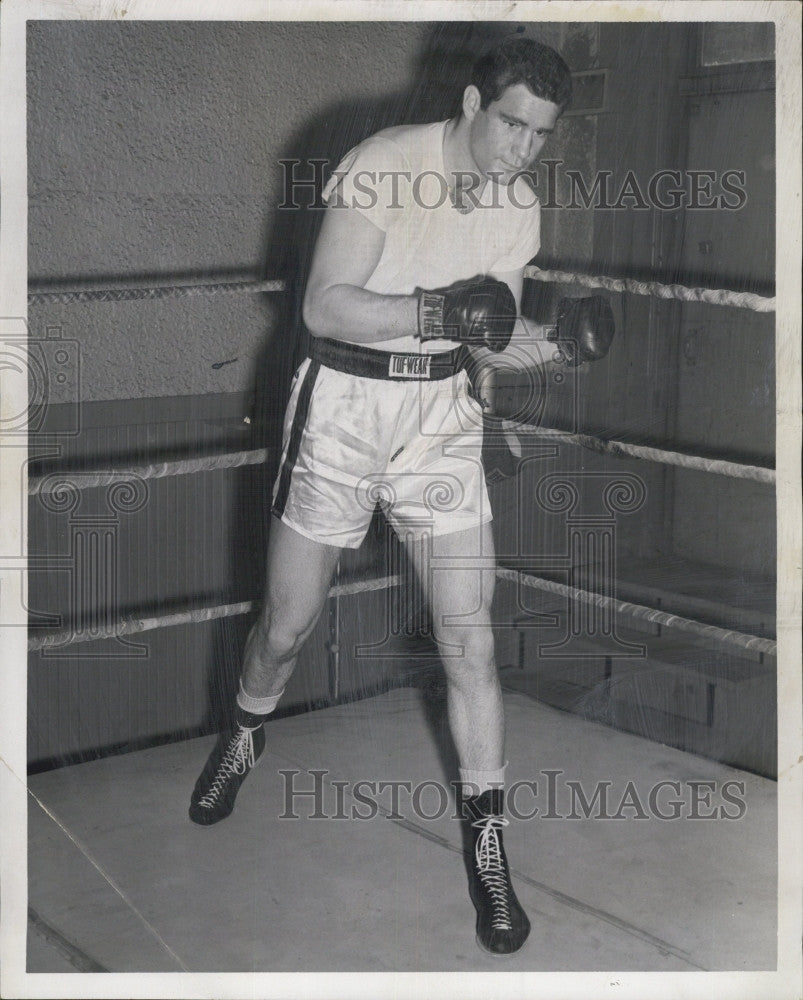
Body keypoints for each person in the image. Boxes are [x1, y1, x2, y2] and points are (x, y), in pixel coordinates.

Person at [189, 37, 607, 957]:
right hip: (342, 405)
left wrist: (558, 343)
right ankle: (246, 732)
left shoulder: (517, 207)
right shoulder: (382, 164)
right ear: (470, 102)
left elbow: (487, 334)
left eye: (539, 135)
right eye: (508, 124)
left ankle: (490, 843)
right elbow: (324, 306)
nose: (518, 151)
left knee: (469, 637)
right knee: (286, 628)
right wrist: (437, 314)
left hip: (439, 418)